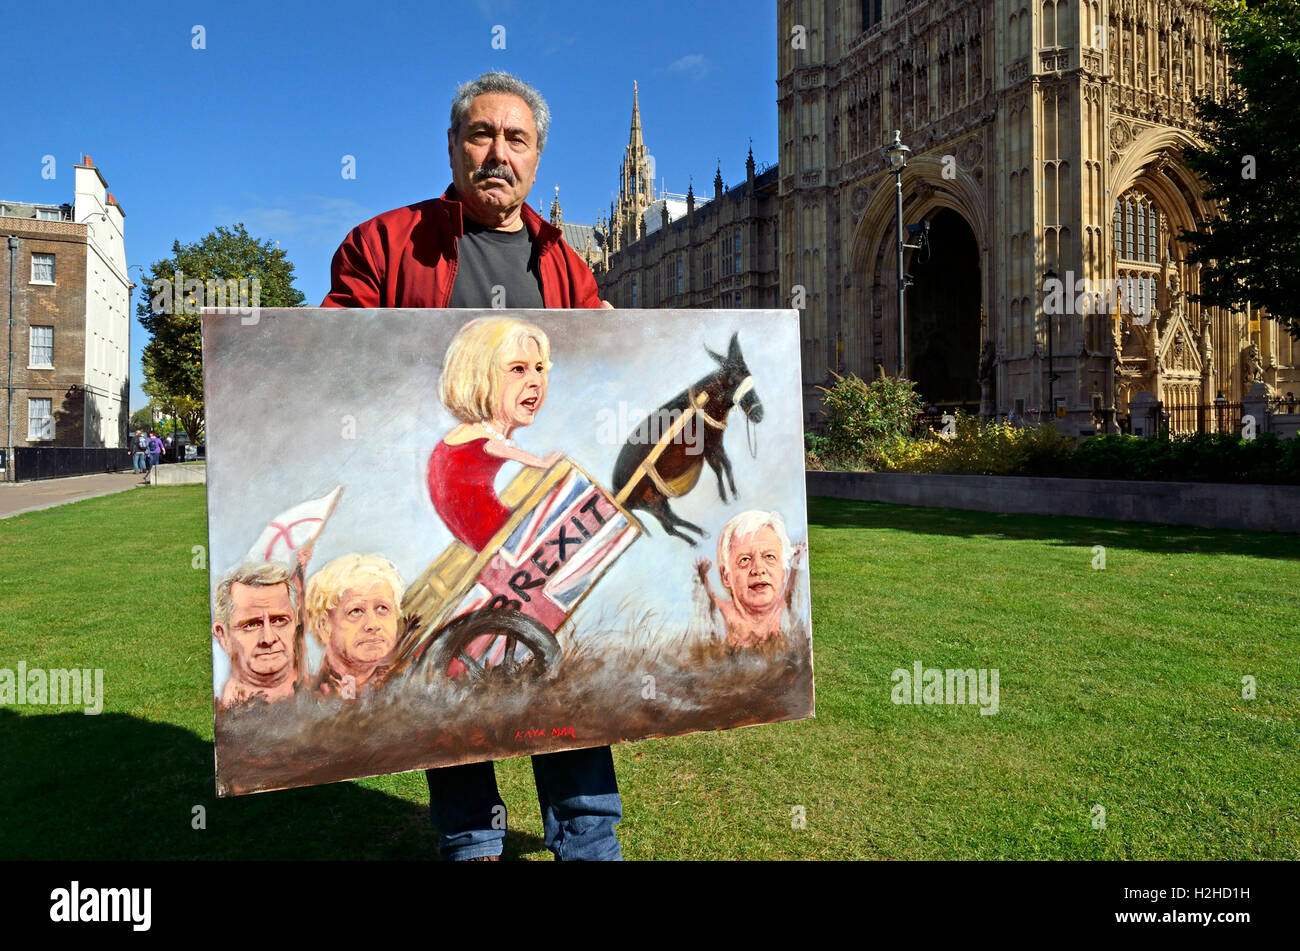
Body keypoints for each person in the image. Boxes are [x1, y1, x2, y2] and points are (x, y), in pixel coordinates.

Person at [321, 71, 621, 862]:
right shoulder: (385, 244)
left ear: (537, 155)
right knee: (452, 695)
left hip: (529, 523)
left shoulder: (568, 265)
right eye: (480, 135)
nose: (497, 153)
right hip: (444, 521)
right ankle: (470, 844)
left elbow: (589, 386)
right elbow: (330, 353)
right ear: (453, 146)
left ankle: (589, 839)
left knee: (560, 689)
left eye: (515, 139)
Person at [431, 316, 562, 550]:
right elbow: (504, 451)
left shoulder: (464, 434)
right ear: (479, 378)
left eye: (540, 368)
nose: (536, 381)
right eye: (518, 369)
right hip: (500, 539)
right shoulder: (482, 438)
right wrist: (543, 463)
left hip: (487, 542)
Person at [696, 510, 804, 649]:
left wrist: (797, 564)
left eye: (769, 557)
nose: (758, 569)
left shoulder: (785, 615)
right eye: (745, 560)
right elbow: (708, 599)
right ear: (726, 576)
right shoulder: (722, 615)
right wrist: (702, 576)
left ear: (783, 571)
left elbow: (791, 590)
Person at [304, 554, 404, 699]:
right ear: (324, 627)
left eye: (382, 608)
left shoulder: (413, 689)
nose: (373, 624)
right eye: (356, 611)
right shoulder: (303, 698)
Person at [212, 562, 300, 708]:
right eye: (252, 625)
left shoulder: (328, 699)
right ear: (222, 636)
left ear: (296, 622)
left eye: (279, 620)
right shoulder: (219, 713)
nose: (269, 638)